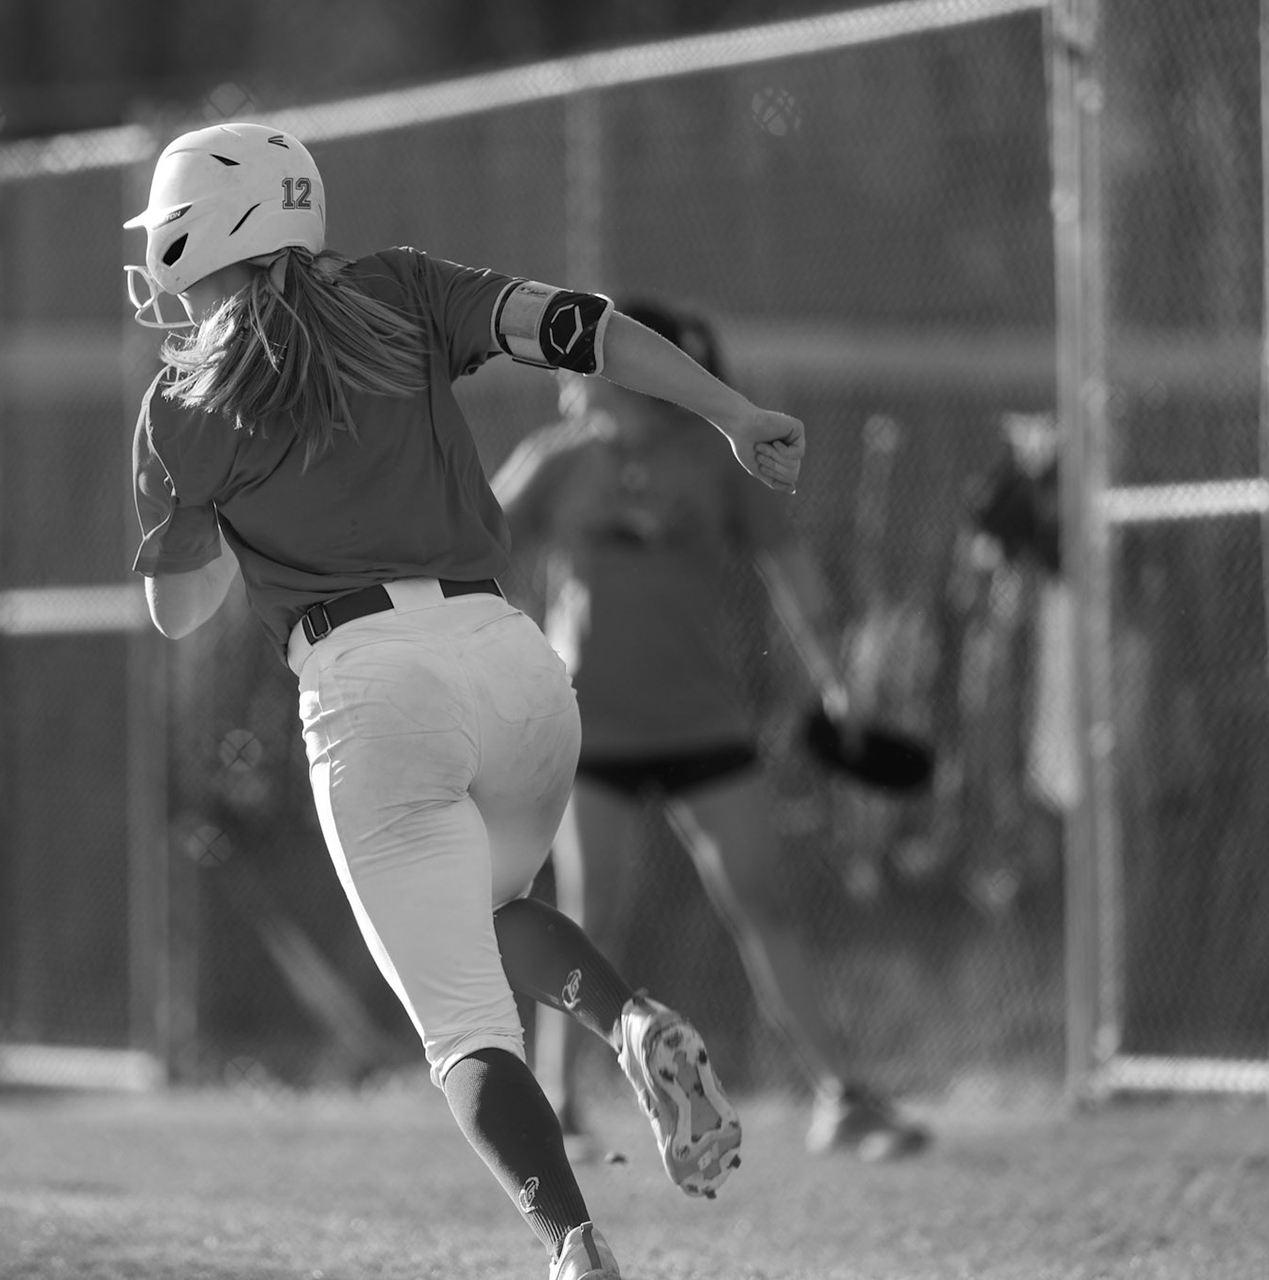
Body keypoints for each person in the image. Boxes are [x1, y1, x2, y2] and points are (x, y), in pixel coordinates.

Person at [123, 123, 803, 1280]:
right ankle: (630, 1019)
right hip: (513, 661)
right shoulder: (399, 285)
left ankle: (574, 1246)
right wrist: (732, 413)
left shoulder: (182, 400)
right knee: (491, 916)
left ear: (195, 232)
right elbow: (583, 327)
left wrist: (220, 510)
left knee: (463, 1032)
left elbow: (179, 611)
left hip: (369, 684)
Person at [489, 300, 931, 1165]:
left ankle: (841, 1096)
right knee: (592, 915)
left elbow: (788, 570)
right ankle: (560, 1105)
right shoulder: (556, 462)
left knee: (761, 902)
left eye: (591, 365)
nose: (572, 380)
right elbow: (472, 545)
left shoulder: (712, 463)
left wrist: (839, 680)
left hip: (705, 727)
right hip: (595, 732)